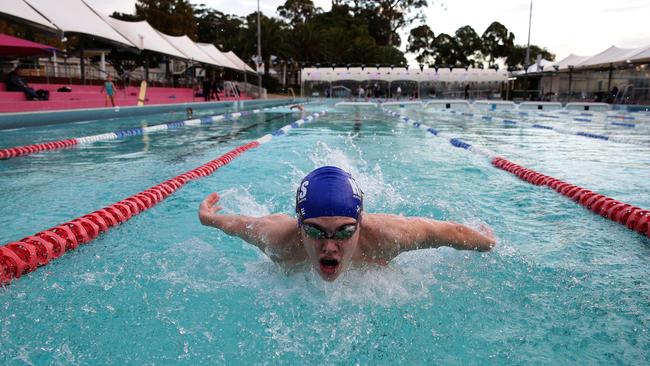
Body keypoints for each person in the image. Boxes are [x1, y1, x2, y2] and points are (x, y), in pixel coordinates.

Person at [199, 166, 496, 281]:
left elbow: (446, 232)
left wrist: (486, 243)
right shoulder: (278, 239)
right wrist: (209, 218)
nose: (329, 247)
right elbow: (238, 223)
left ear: (360, 222)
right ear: (300, 225)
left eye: (344, 231)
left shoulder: (387, 237)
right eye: (315, 231)